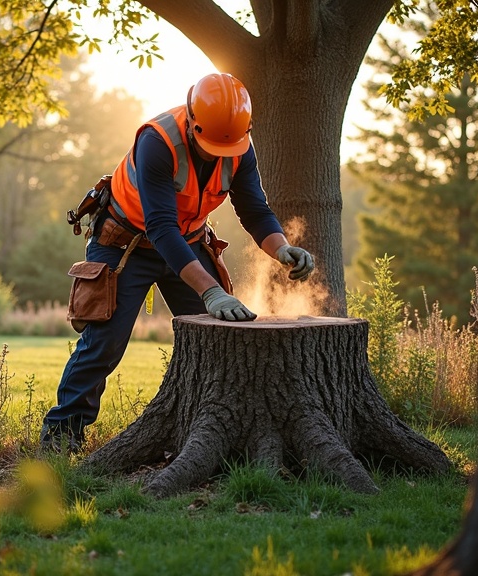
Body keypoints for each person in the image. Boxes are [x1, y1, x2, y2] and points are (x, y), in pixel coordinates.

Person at [41, 73, 315, 453]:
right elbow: (160, 227)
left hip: (186, 243)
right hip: (124, 243)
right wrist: (211, 291)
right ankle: (60, 436)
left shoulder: (238, 145)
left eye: (227, 148)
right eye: (211, 147)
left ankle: (212, 434)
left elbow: (254, 209)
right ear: (192, 121)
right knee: (105, 341)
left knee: (221, 337)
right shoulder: (157, 141)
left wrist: (281, 248)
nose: (219, 155)